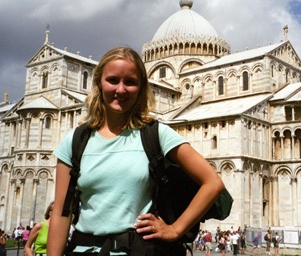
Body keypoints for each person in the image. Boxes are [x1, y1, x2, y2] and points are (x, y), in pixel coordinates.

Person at [48, 47, 225, 256]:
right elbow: (61, 212)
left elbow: (213, 182)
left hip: (138, 249)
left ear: (141, 88)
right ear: (98, 83)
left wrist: (175, 229)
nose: (121, 90)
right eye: (113, 80)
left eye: (130, 82)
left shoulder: (155, 134)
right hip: (86, 249)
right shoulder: (76, 140)